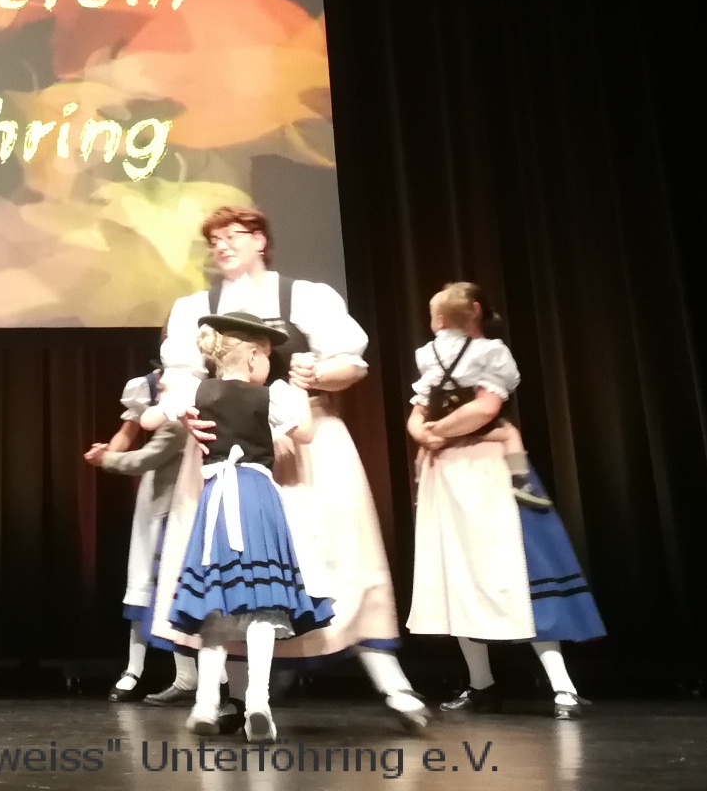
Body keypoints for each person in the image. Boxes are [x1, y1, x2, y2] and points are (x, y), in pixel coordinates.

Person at [150, 206, 430, 731]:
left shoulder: (306, 296)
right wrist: (187, 412)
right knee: (228, 567)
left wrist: (315, 373)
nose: (222, 245)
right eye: (214, 239)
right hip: (226, 452)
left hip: (307, 444)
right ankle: (236, 699)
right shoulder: (195, 308)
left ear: (261, 240)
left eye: (233, 235)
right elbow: (179, 377)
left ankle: (394, 687)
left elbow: (351, 363)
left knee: (335, 557)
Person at [405, 282, 605, 721]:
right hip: (447, 472)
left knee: (515, 572)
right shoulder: (431, 358)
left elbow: (485, 408)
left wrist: (435, 432)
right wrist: (426, 433)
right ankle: (481, 684)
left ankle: (563, 687)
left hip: (488, 470)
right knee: (456, 575)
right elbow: (419, 411)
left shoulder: (490, 354)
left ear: (471, 312)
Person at [153, 314, 333, 743]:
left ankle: (205, 703)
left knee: (217, 603)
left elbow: (150, 419)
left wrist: (184, 418)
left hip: (215, 496)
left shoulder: (197, 391)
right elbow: (305, 434)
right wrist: (302, 392)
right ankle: (257, 702)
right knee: (263, 602)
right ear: (253, 357)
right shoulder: (273, 396)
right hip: (256, 494)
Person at [83, 358, 199, 706]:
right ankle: (135, 670)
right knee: (146, 581)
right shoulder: (150, 387)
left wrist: (107, 461)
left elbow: (152, 452)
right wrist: (107, 454)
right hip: (163, 497)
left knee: (175, 584)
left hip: (190, 497)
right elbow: (130, 433)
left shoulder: (201, 392)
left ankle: (197, 676)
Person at [411, 283, 552, 509]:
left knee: (424, 449)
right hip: (478, 429)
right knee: (510, 433)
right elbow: (486, 408)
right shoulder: (488, 351)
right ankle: (519, 481)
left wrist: (428, 431)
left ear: (440, 321)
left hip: (437, 421)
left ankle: (419, 486)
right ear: (476, 311)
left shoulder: (428, 353)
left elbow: (424, 396)